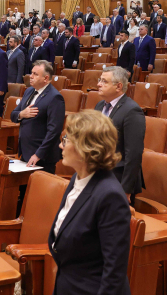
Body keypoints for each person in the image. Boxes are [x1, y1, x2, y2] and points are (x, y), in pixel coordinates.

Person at [50, 110, 131, 295]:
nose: (60, 145)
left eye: (66, 140)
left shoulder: (110, 196)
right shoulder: (77, 179)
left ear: (84, 147)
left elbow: (114, 272)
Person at [95, 67, 145, 201]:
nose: (99, 84)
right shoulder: (99, 106)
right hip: (98, 173)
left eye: (104, 81)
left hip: (117, 179)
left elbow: (133, 153)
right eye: (99, 80)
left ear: (118, 86)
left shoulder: (132, 111)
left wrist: (126, 189)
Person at [10, 61, 65, 171]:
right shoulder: (29, 91)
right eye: (31, 73)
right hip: (26, 151)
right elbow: (13, 115)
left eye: (35, 74)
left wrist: (38, 154)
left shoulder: (55, 98)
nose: (31, 76)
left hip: (42, 156)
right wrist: (22, 114)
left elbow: (54, 131)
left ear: (45, 78)